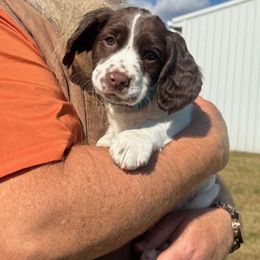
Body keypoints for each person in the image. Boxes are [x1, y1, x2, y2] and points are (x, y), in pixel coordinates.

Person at [0, 0, 241, 259]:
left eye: (150, 56)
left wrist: (225, 221)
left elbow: (191, 144)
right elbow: (25, 233)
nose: (119, 73)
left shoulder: (167, 110)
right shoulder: (12, 24)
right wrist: (210, 139)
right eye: (111, 41)